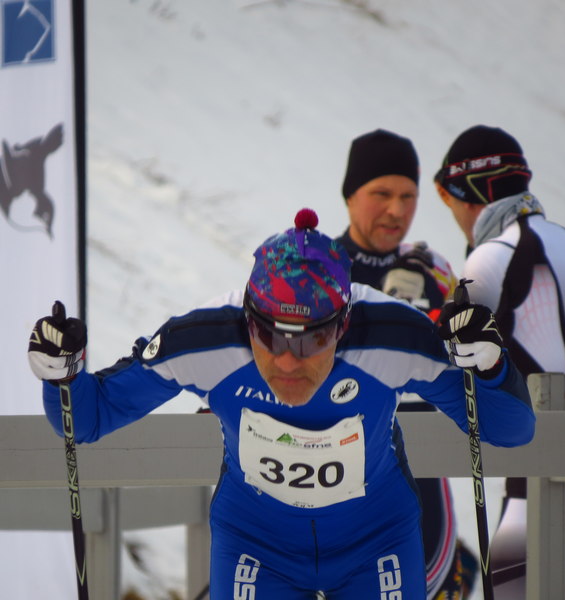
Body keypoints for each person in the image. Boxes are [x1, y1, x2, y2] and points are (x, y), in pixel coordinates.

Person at [28, 208, 535, 599]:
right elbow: (87, 419)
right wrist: (61, 375)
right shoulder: (205, 342)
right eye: (269, 335)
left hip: (376, 541)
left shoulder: (393, 336)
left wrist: (491, 366)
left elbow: (510, 430)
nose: (289, 361)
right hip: (256, 546)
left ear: (343, 324)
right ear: (247, 318)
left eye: (313, 339)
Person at [434, 124, 565, 600]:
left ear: (467, 195)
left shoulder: (491, 258)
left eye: (449, 202)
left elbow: (452, 362)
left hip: (545, 483)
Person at [336, 128, 478, 599]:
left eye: (408, 196)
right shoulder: (316, 266)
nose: (397, 210)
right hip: (333, 473)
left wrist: (437, 315)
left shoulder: (433, 270)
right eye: (381, 194)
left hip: (424, 474)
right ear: (350, 195)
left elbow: (475, 361)